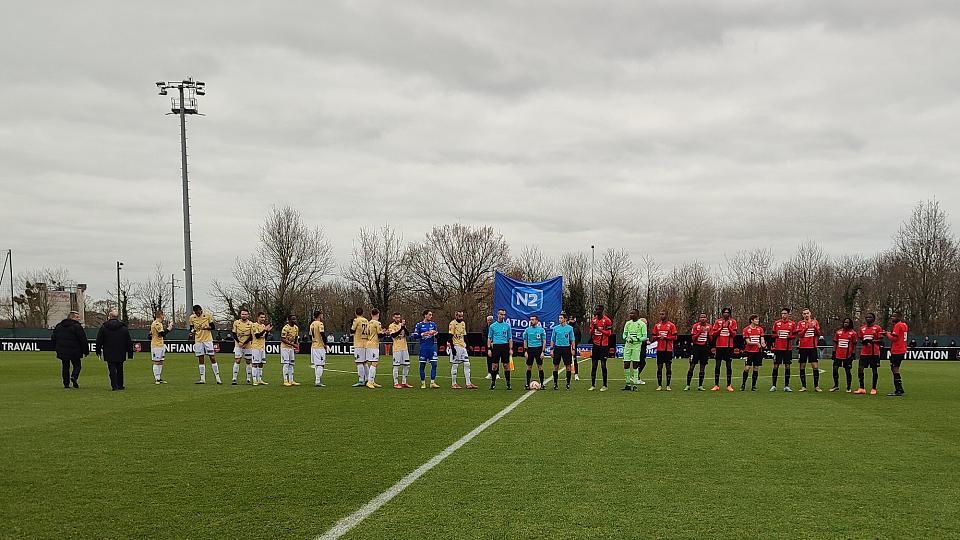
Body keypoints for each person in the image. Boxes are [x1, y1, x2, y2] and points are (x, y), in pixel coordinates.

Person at [96, 309, 133, 391]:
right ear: (117, 317)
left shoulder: (104, 327)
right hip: (121, 351)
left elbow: (99, 340)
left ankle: (114, 385)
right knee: (120, 368)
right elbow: (128, 341)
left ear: (109, 317)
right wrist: (130, 353)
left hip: (109, 351)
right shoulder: (123, 328)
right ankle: (120, 385)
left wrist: (98, 351)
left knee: (111, 369)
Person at [52, 310, 88, 389]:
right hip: (75, 350)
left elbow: (53, 338)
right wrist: (85, 351)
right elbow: (83, 339)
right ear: (72, 318)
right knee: (77, 365)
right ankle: (74, 376)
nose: (79, 319)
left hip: (62, 350)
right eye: (77, 317)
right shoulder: (77, 327)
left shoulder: (59, 326)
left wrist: (57, 347)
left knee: (65, 366)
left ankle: (66, 384)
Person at [189, 305, 221, 385]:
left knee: (212, 357)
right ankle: (202, 379)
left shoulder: (207, 315)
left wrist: (206, 328)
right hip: (198, 340)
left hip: (208, 340)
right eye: (196, 313)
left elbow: (213, 327)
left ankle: (218, 378)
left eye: (198, 312)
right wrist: (192, 331)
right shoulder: (192, 318)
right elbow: (191, 328)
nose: (198, 314)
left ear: (201, 310)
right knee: (200, 358)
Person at [855, 313, 883, 395]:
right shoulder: (862, 328)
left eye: (870, 317)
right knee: (860, 369)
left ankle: (874, 388)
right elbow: (860, 338)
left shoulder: (877, 328)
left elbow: (880, 340)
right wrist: (863, 342)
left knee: (874, 370)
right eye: (867, 317)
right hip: (864, 352)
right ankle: (861, 388)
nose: (868, 318)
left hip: (874, 352)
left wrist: (872, 341)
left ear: (873, 319)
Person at [710, 308, 737, 392]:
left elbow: (734, 334)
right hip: (719, 346)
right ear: (722, 314)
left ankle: (729, 385)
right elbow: (714, 334)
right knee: (717, 365)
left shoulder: (733, 322)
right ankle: (716, 385)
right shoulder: (718, 321)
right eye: (724, 312)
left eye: (727, 313)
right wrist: (721, 328)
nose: (726, 314)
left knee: (728, 366)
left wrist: (729, 327)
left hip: (729, 346)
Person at [769, 307, 796, 392]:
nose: (783, 315)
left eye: (785, 313)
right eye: (782, 313)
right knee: (776, 365)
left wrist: (789, 336)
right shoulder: (777, 323)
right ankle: (773, 385)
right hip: (778, 348)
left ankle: (786, 386)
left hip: (788, 349)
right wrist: (777, 335)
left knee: (787, 366)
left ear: (788, 314)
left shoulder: (792, 324)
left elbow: (794, 336)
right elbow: (772, 335)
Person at [796, 308, 823, 392]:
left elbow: (819, 334)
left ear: (810, 314)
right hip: (803, 348)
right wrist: (806, 328)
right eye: (804, 313)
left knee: (815, 366)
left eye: (807, 313)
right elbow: (799, 335)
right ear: (802, 315)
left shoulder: (815, 322)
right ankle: (803, 386)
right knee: (802, 366)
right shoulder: (800, 323)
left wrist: (814, 327)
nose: (806, 315)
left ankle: (816, 386)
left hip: (812, 347)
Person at [448, 310, 476, 389]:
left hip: (463, 346)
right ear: (456, 316)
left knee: (467, 364)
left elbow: (465, 335)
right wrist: (453, 348)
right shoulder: (452, 324)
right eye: (459, 316)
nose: (461, 317)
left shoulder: (463, 323)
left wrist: (468, 346)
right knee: (455, 365)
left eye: (462, 316)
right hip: (456, 346)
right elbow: (450, 337)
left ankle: (468, 383)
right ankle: (454, 383)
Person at [588, 305, 613, 391]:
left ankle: (604, 385)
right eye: (595, 309)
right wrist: (593, 328)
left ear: (602, 310)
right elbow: (590, 332)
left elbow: (609, 333)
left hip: (604, 346)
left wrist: (599, 329)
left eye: (598, 309)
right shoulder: (593, 320)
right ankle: (593, 385)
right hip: (595, 346)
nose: (596, 311)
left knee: (603, 365)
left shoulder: (607, 320)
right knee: (594, 365)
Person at [651, 311, 677, 391]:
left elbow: (675, 337)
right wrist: (659, 337)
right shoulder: (657, 325)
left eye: (663, 314)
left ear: (667, 315)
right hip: (659, 349)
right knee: (659, 367)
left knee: (668, 368)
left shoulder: (671, 325)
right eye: (660, 314)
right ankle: (659, 385)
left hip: (668, 349)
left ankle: (668, 385)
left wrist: (666, 338)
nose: (661, 316)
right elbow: (653, 337)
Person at [487, 308, 513, 390]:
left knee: (506, 365)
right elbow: (489, 338)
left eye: (504, 314)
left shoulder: (507, 326)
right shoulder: (492, 326)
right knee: (494, 365)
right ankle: (493, 383)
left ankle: (508, 383)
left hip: (505, 346)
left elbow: (510, 338)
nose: (503, 316)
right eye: (501, 314)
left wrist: (510, 348)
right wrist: (489, 349)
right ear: (498, 315)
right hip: (496, 347)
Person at [414, 310, 440, 389]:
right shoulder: (419, 325)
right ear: (425, 315)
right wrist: (423, 334)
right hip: (423, 348)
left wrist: (435, 334)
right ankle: (423, 383)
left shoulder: (433, 324)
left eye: (431, 315)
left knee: (434, 365)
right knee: (422, 365)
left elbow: (437, 337)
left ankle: (432, 382)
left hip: (432, 348)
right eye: (429, 315)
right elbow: (415, 336)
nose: (431, 316)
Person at [622, 309, 647, 391]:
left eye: (632, 313)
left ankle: (636, 383)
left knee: (635, 364)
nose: (630, 314)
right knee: (626, 363)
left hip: (636, 346)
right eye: (630, 313)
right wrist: (627, 338)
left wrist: (636, 339)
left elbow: (644, 337)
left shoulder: (642, 324)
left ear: (637, 314)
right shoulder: (628, 323)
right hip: (628, 346)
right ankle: (627, 383)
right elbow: (624, 334)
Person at [831, 318, 857, 392]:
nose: (846, 323)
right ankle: (836, 385)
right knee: (835, 369)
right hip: (838, 355)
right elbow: (835, 343)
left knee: (847, 371)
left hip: (847, 355)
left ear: (850, 324)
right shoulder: (838, 332)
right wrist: (833, 352)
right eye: (845, 322)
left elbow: (854, 344)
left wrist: (853, 354)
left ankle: (848, 387)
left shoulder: (853, 333)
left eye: (847, 322)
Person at [686, 313, 711, 391]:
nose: (703, 318)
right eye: (701, 317)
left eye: (704, 317)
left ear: (706, 318)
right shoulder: (695, 326)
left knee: (702, 368)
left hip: (704, 348)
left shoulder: (709, 326)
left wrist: (708, 333)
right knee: (692, 366)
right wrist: (700, 332)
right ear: (699, 318)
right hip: (696, 348)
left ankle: (700, 385)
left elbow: (710, 340)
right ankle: (688, 385)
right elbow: (693, 339)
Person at [551, 312, 577, 390]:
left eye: (561, 318)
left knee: (568, 366)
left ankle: (568, 384)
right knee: (556, 366)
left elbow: (572, 340)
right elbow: (552, 340)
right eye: (559, 318)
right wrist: (551, 350)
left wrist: (573, 349)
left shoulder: (570, 328)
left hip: (566, 349)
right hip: (558, 348)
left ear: (565, 319)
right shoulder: (555, 328)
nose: (560, 319)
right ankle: (555, 384)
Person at [886, 311, 908, 397]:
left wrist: (887, 334)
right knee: (895, 368)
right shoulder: (904, 325)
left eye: (894, 316)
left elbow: (894, 339)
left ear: (899, 317)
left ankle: (899, 389)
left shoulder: (898, 325)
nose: (892, 318)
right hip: (902, 349)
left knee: (894, 368)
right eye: (892, 316)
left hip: (897, 350)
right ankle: (899, 389)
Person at [741, 315, 766, 391]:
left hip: (758, 352)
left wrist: (763, 343)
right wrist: (756, 343)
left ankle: (753, 386)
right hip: (749, 352)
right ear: (751, 320)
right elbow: (748, 342)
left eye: (758, 319)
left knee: (756, 368)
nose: (757, 321)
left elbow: (762, 339)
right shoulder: (746, 329)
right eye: (756, 319)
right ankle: (743, 384)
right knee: (747, 368)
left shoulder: (760, 329)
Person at [388, 313, 413, 388]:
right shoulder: (391, 326)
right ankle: (396, 383)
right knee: (396, 365)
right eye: (396, 317)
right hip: (397, 348)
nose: (398, 319)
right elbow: (393, 335)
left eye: (399, 317)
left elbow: (408, 334)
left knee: (407, 365)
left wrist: (404, 327)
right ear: (393, 318)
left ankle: (404, 382)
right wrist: (401, 328)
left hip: (404, 347)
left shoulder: (402, 325)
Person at [148, 309, 173, 384]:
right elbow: (162, 334)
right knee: (157, 361)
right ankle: (157, 379)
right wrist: (169, 328)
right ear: (161, 315)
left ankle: (159, 378)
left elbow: (151, 335)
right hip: (156, 345)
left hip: (160, 345)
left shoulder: (159, 324)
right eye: (163, 315)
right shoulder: (157, 324)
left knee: (161, 361)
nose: (164, 316)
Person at [231, 309, 254, 385]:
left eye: (245, 314)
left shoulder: (251, 324)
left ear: (248, 315)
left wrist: (244, 343)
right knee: (237, 360)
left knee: (248, 361)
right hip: (238, 345)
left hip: (248, 346)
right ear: (240, 315)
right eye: (243, 314)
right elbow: (234, 334)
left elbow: (251, 336)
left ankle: (248, 379)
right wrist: (239, 342)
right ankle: (234, 379)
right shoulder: (236, 323)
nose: (244, 315)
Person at [523, 315, 547, 390]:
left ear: (537, 321)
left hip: (538, 349)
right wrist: (526, 351)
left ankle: (542, 384)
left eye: (533, 320)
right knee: (529, 367)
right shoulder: (527, 330)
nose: (531, 321)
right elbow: (525, 340)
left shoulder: (541, 330)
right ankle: (527, 384)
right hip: (530, 349)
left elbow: (544, 341)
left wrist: (543, 352)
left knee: (539, 366)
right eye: (530, 320)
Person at [363, 309, 384, 389]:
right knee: (374, 363)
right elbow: (380, 335)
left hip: (368, 344)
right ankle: (370, 381)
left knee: (374, 363)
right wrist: (385, 333)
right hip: (373, 345)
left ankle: (372, 381)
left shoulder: (368, 323)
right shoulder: (377, 323)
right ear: (378, 314)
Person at [249, 312, 272, 386]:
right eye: (261, 317)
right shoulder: (254, 325)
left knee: (261, 363)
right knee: (255, 363)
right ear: (258, 317)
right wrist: (265, 330)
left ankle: (260, 379)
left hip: (262, 347)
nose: (263, 319)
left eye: (264, 317)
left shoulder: (263, 326)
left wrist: (267, 331)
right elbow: (257, 336)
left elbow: (265, 337)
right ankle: (255, 380)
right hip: (255, 347)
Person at [280, 314, 300, 387]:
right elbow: (282, 339)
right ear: (289, 320)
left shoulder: (296, 328)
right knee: (286, 363)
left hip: (291, 348)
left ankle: (291, 380)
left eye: (295, 319)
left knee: (291, 364)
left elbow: (296, 337)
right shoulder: (285, 328)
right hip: (285, 348)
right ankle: (285, 380)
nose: (295, 320)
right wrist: (293, 344)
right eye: (293, 319)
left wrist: (296, 345)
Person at [351, 308, 369, 387]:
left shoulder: (356, 320)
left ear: (356, 313)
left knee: (359, 362)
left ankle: (361, 380)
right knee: (365, 362)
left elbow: (352, 330)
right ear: (363, 313)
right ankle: (368, 379)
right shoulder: (366, 321)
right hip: (366, 343)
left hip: (358, 343)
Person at [309, 310, 327, 387]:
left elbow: (310, 335)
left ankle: (317, 380)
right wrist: (325, 344)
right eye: (322, 315)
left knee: (317, 364)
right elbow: (322, 334)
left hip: (313, 346)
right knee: (321, 364)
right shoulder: (320, 324)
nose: (322, 317)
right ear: (319, 316)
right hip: (319, 347)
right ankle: (317, 381)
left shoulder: (312, 324)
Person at [482, 315, 497, 381]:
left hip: (495, 345)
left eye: (490, 320)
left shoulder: (495, 327)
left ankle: (496, 373)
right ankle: (489, 373)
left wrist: (493, 342)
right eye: (488, 320)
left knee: (495, 359)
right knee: (489, 360)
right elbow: (483, 337)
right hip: (487, 346)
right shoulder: (485, 328)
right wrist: (488, 342)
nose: (489, 321)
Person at [571, 315, 582, 381]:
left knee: (574, 359)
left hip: (574, 345)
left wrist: (575, 344)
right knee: (567, 360)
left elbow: (579, 336)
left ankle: (576, 374)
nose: (570, 320)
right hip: (567, 345)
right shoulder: (567, 326)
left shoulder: (576, 327)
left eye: (572, 319)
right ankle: (568, 374)